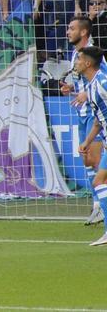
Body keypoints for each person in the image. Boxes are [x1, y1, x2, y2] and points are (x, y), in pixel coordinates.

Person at [73, 45, 107, 245]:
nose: (76, 63)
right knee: (99, 182)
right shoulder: (91, 85)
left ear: (87, 63)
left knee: (99, 182)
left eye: (78, 60)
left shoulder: (102, 82)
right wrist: (86, 141)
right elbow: (98, 120)